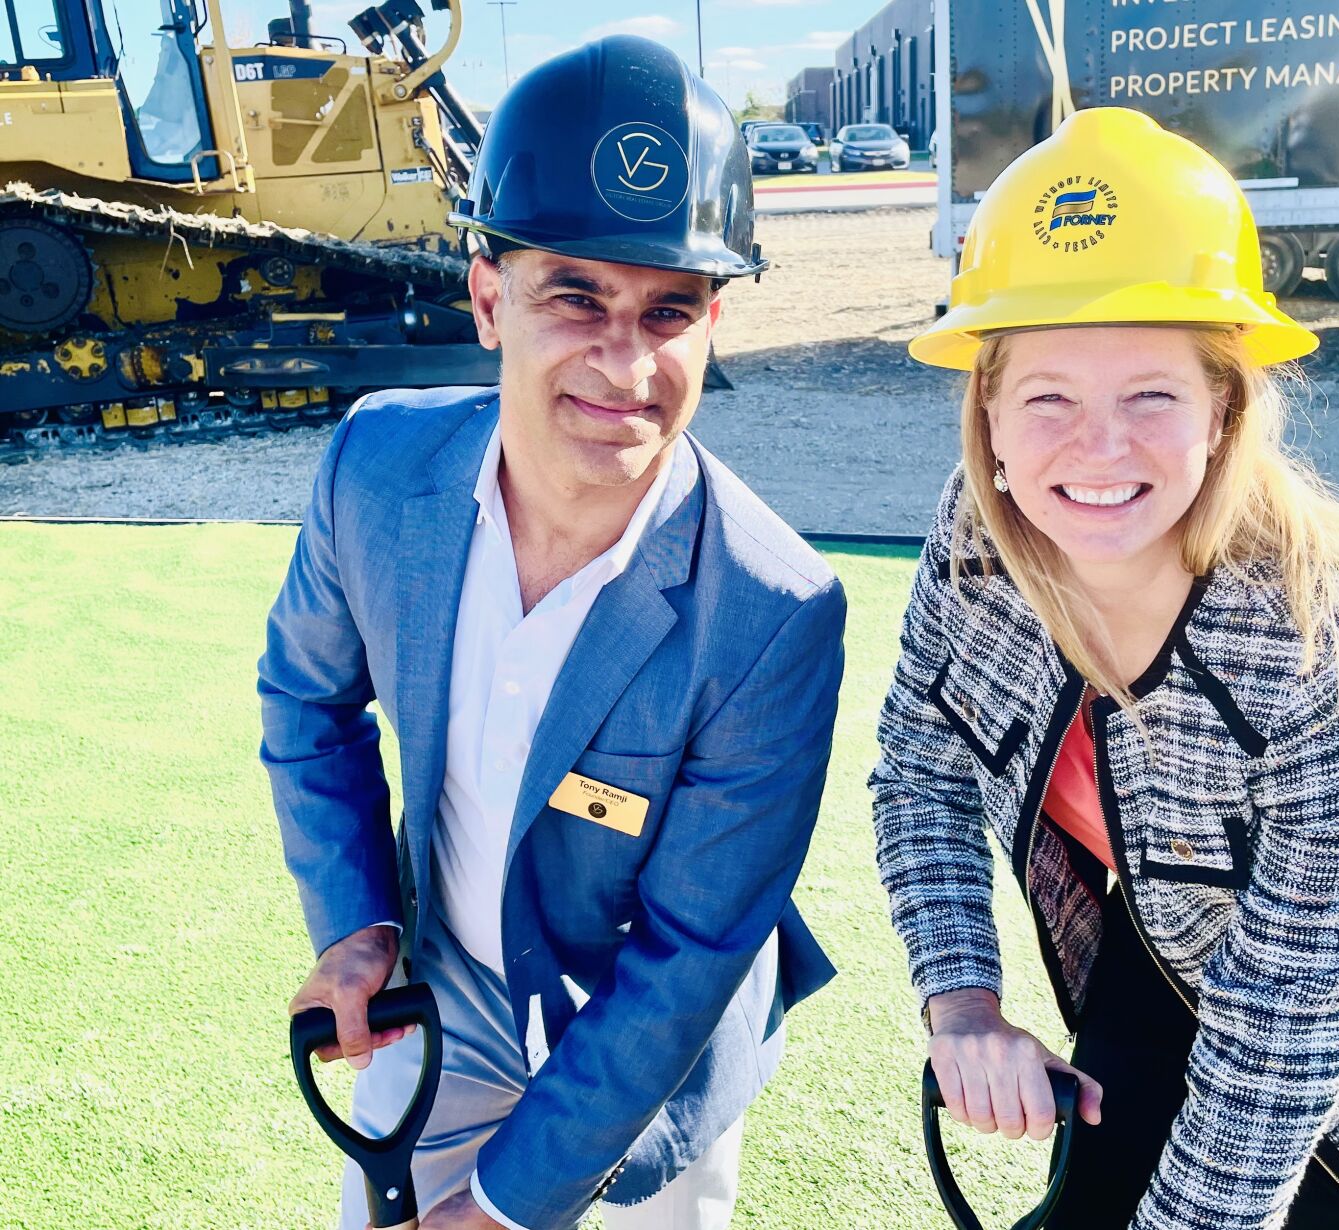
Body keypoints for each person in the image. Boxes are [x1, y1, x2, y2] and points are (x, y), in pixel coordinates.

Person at [870, 107, 1339, 1230]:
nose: (1099, 448)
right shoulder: (975, 530)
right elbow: (920, 771)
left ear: (1224, 409)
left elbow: (1289, 1019)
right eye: (1048, 396)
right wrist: (963, 1002)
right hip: (1168, 941)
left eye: (1151, 394)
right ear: (986, 411)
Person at [258, 36, 845, 1230]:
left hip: (645, 1058)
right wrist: (359, 924)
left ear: (714, 324)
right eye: (576, 297)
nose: (624, 364)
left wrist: (503, 1206)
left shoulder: (775, 610)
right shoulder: (373, 470)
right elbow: (306, 698)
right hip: (443, 999)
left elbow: (688, 958)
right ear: (489, 300)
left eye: (668, 310)